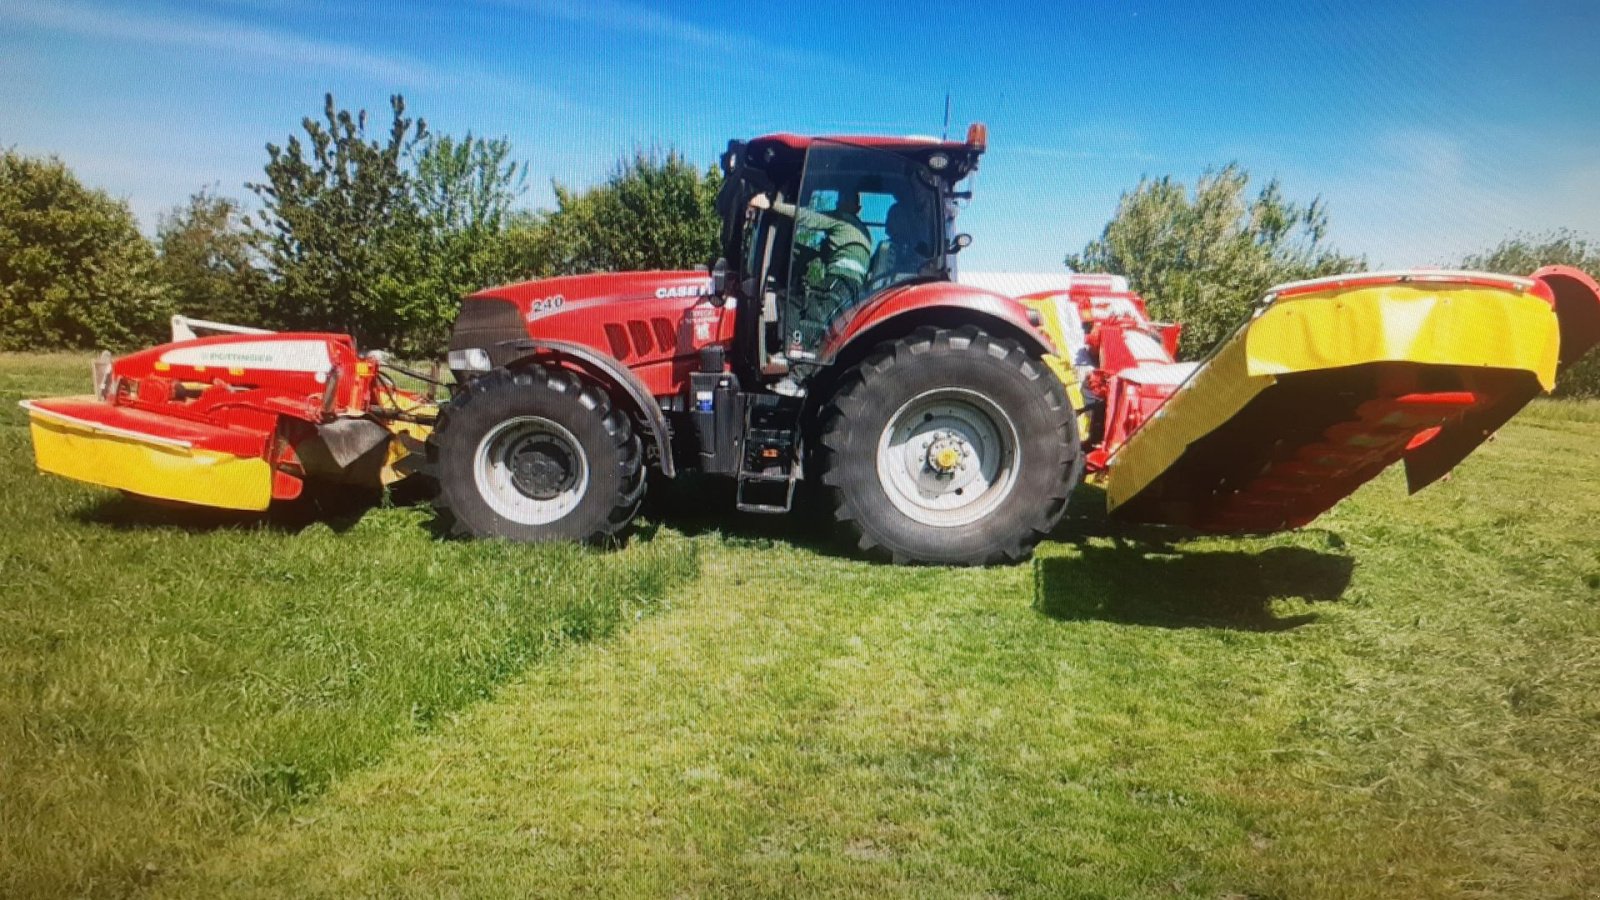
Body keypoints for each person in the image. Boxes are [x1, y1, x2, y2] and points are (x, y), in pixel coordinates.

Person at [748, 189, 872, 363]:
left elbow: (808, 217)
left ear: (855, 208)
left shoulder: (842, 219)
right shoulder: (863, 233)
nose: (838, 203)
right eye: (839, 199)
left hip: (838, 282)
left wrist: (772, 205)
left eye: (843, 199)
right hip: (854, 291)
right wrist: (810, 254)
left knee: (794, 303)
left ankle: (791, 354)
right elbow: (826, 253)